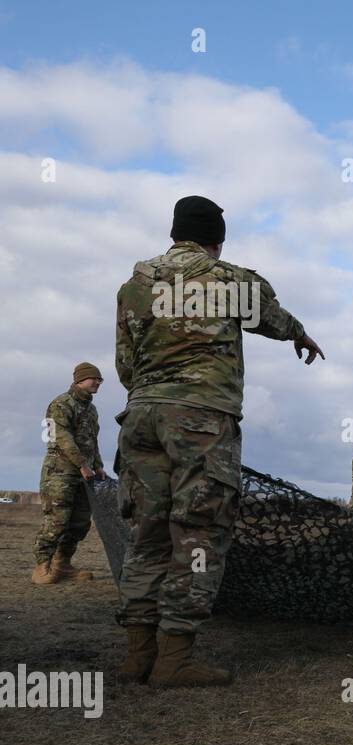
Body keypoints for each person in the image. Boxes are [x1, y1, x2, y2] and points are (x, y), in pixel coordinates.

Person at [113, 195, 325, 687]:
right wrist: (300, 334)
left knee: (146, 532)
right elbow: (270, 313)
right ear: (217, 238)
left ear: (173, 232)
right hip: (200, 418)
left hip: (141, 416)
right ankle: (175, 659)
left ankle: (137, 655)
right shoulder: (229, 280)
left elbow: (125, 364)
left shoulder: (133, 287)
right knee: (198, 531)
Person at [31, 362, 107, 585]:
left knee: (79, 523)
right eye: (95, 379)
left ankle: (62, 564)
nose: (98, 383)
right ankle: (41, 566)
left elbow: (92, 440)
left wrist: (98, 464)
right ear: (80, 380)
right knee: (57, 521)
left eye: (100, 380)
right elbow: (61, 438)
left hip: (84, 475)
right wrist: (83, 464)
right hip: (60, 473)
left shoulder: (91, 409)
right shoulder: (61, 404)